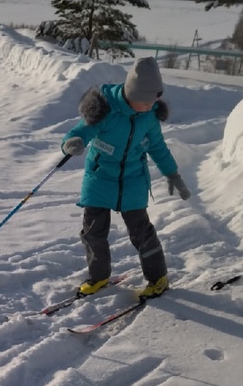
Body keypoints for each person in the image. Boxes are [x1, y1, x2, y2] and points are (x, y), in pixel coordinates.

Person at [60, 57, 191, 299]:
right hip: (99, 179)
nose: (149, 105)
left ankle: (158, 278)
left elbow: (158, 147)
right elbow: (81, 130)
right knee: (93, 233)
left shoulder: (149, 115)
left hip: (133, 180)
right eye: (144, 101)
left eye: (153, 100)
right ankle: (98, 277)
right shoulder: (105, 108)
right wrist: (72, 142)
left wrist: (173, 174)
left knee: (142, 233)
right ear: (131, 93)